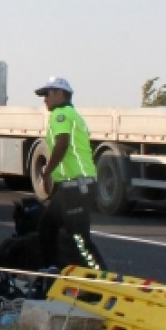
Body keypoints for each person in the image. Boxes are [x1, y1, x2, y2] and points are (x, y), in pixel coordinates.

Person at [34, 77, 105, 271]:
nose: (44, 99)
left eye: (47, 94)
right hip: (71, 187)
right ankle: (52, 268)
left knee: (80, 239)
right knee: (47, 226)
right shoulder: (72, 114)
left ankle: (100, 275)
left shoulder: (61, 114)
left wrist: (46, 172)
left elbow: (62, 144)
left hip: (76, 187)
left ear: (60, 94)